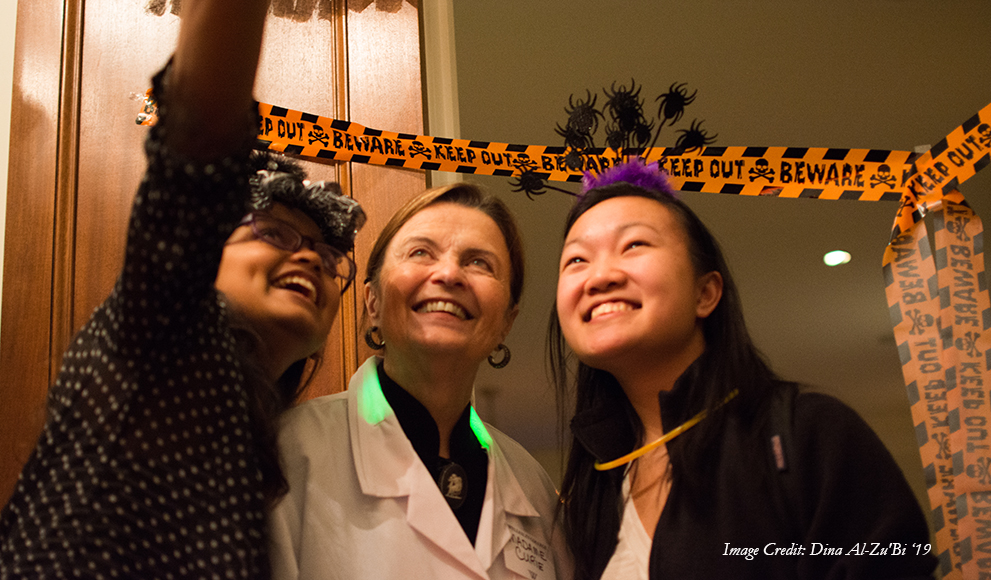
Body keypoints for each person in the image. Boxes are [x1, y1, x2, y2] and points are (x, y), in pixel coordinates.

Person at [0, 0, 364, 576]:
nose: (312, 261)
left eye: (326, 255)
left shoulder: (257, 448)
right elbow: (200, 136)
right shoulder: (164, 333)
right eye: (274, 232)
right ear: (202, 242)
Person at [549, 158, 936, 579]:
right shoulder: (593, 487)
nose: (599, 276)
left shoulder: (808, 431)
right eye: (577, 260)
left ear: (706, 293)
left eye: (634, 245)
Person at [268, 183, 572, 579]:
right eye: (420, 252)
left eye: (480, 263)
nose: (449, 274)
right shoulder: (287, 453)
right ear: (372, 302)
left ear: (506, 323)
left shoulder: (532, 489)